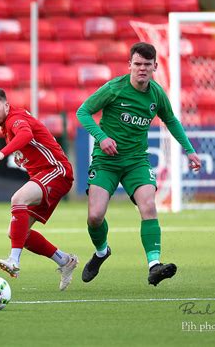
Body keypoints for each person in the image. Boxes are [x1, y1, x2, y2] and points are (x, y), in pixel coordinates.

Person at [76, 42, 201, 287]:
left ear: (155, 66)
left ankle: (154, 266)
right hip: (106, 161)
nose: (141, 69)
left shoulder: (156, 94)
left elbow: (171, 120)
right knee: (95, 216)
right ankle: (102, 252)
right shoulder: (114, 88)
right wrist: (102, 138)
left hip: (136, 162)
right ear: (130, 65)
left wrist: (190, 150)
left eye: (146, 65)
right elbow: (83, 111)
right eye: (137, 64)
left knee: (149, 207)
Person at [0, 87, 78, 291]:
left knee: (18, 199)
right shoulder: (7, 124)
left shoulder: (15, 119)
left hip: (56, 171)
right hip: (44, 176)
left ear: (6, 105)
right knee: (17, 233)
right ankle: (65, 261)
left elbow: (25, 134)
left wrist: (1, 154)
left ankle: (14, 261)